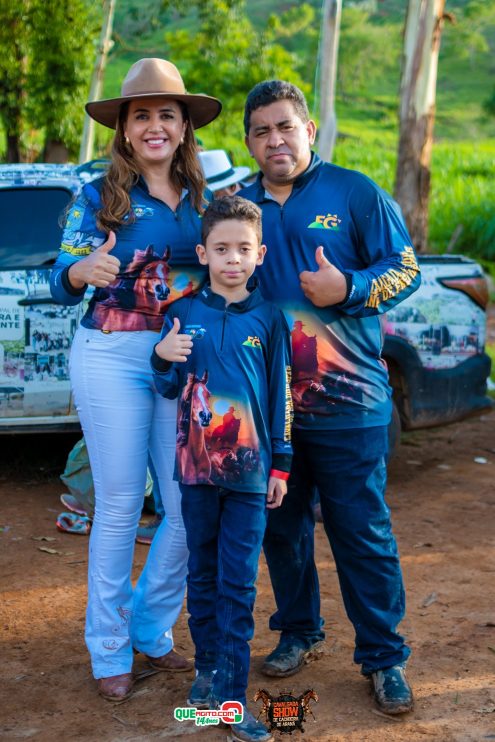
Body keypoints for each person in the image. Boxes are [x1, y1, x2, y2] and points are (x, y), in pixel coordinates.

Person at [240, 80, 421, 715]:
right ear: (249, 141)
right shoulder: (237, 206)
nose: (275, 139)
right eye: (261, 130)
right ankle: (299, 631)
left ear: (309, 129)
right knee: (281, 530)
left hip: (350, 401)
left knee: (361, 532)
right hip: (270, 410)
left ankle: (384, 657)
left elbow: (405, 268)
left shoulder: (355, 193)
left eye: (285, 126)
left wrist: (348, 285)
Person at [49, 57, 221, 702]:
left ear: (183, 127)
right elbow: (58, 276)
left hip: (182, 358)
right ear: (123, 129)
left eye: (165, 115)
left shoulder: (206, 199)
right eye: (140, 115)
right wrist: (77, 273)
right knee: (121, 505)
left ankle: (151, 628)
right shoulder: (98, 196)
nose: (154, 125)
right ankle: (108, 647)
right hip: (112, 355)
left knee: (184, 508)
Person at [151, 196, 293, 742]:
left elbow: (281, 397)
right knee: (202, 574)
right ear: (203, 252)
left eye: (243, 248)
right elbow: (165, 387)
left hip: (252, 476)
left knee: (239, 581)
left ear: (260, 253)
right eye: (221, 248)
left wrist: (281, 465)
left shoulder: (270, 319)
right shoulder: (184, 313)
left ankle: (232, 699)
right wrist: (162, 355)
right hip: (196, 474)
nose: (232, 259)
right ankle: (206, 674)